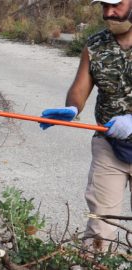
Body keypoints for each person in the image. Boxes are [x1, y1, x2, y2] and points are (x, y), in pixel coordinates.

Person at [40, 0, 132, 251]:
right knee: (100, 225)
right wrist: (71, 107)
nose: (108, 13)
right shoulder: (95, 45)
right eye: (104, 6)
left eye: (116, 5)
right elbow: (80, 88)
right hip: (110, 145)